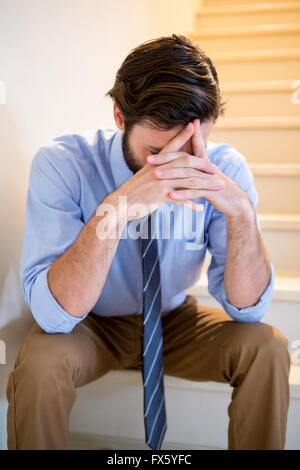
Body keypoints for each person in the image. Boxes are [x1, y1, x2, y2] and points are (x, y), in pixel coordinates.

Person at [6, 34, 290, 450]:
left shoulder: (225, 168)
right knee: (39, 361)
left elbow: (248, 309)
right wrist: (116, 209)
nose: (179, 164)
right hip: (92, 325)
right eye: (159, 151)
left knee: (267, 346)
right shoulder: (63, 164)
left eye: (194, 148)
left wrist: (242, 213)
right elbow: (55, 316)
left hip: (174, 320)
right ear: (120, 117)